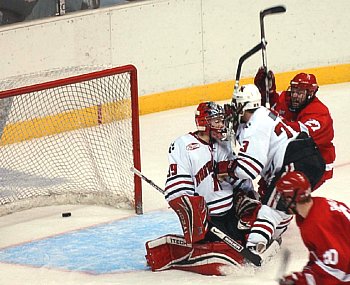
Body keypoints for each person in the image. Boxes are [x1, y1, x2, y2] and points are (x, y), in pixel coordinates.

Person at [145, 101, 261, 275]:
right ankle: (177, 253)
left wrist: (247, 192)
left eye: (222, 120)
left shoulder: (224, 143)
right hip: (209, 217)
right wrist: (190, 206)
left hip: (230, 211)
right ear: (204, 122)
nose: (221, 125)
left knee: (254, 215)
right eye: (216, 121)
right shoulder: (183, 145)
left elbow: (235, 177)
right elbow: (178, 185)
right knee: (225, 251)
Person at [217, 84, 325, 254]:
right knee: (283, 204)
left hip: (295, 161)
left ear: (245, 105)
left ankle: (254, 249)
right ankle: (271, 236)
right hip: (309, 158)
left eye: (236, 104)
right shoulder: (263, 113)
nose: (233, 108)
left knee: (271, 208)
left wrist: (229, 168)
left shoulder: (254, 126)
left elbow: (249, 169)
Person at [254, 68, 335, 190]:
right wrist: (267, 92)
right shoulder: (287, 99)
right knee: (267, 188)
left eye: (300, 92)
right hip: (295, 156)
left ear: (311, 94)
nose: (295, 96)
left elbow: (296, 135)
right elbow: (274, 107)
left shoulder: (319, 113)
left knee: (288, 195)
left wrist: (272, 118)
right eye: (294, 90)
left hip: (316, 163)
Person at [272, 171, 350, 285]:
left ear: (292, 197)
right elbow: (323, 257)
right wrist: (302, 277)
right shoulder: (318, 205)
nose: (282, 201)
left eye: (284, 197)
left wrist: (302, 280)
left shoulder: (317, 223)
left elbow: (336, 270)